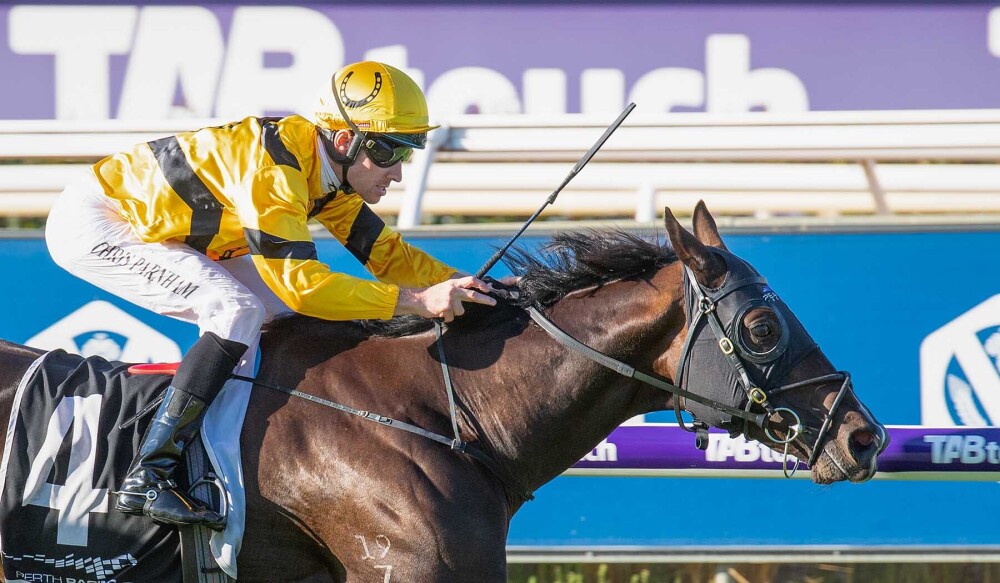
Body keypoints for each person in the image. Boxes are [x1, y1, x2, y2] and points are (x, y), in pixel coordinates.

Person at [44, 61, 496, 531]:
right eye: (388, 151)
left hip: (169, 231)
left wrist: (478, 285)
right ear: (345, 140)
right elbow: (302, 286)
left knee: (279, 317)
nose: (398, 173)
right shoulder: (275, 171)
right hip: (100, 223)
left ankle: (239, 453)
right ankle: (148, 474)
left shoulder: (327, 170)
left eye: (407, 151)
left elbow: (388, 256)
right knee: (235, 310)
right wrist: (417, 303)